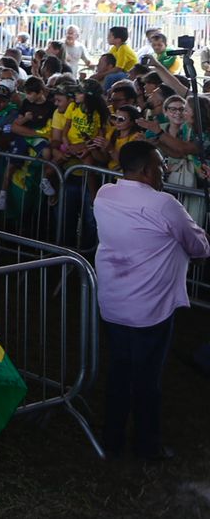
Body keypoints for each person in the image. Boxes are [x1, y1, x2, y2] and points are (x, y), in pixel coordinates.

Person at [93, 140, 210, 461]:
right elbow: (199, 246)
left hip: (114, 302)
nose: (165, 170)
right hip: (149, 309)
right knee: (146, 380)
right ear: (146, 170)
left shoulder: (104, 194)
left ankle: (112, 438)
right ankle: (147, 445)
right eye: (160, 165)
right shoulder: (164, 204)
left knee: (119, 371)